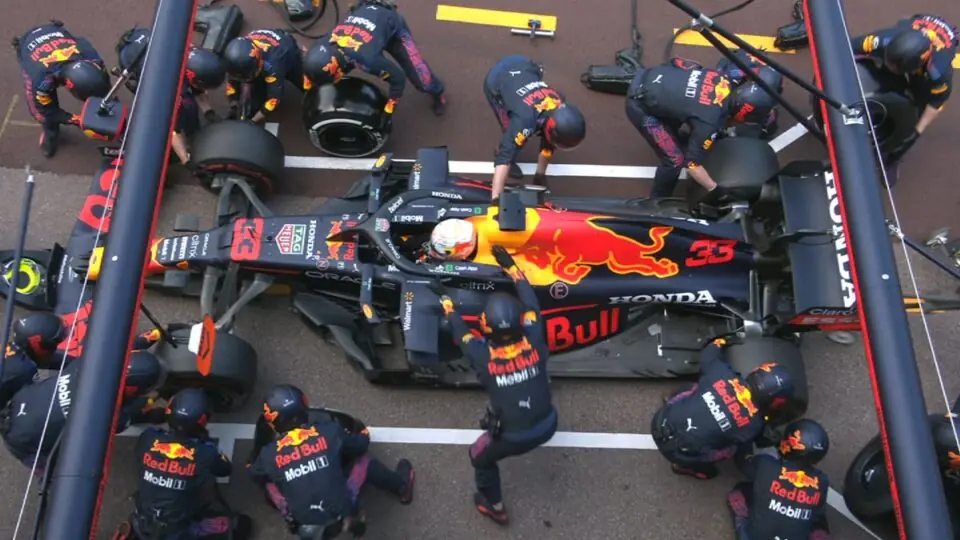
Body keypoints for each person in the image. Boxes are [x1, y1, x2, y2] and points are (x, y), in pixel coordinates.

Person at [436, 245, 557, 524]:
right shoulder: (534, 334)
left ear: (486, 327)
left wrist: (446, 303)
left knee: (478, 457)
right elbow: (531, 301)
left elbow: (460, 331)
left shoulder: (481, 355)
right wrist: (511, 267)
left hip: (515, 436)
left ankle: (495, 506)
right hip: (550, 422)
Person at [247, 384, 414, 537]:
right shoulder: (328, 431)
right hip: (340, 509)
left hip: (303, 522)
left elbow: (254, 473)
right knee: (364, 462)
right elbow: (360, 446)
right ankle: (402, 488)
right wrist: (363, 434)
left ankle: (290, 515)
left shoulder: (268, 454)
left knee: (269, 484)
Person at [116, 388, 253, 540]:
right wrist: (204, 441)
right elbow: (224, 469)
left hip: (143, 522)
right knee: (240, 525)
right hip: (176, 530)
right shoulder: (204, 452)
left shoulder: (148, 438)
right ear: (202, 420)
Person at [650, 337, 794, 480]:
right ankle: (683, 466)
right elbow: (746, 443)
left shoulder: (721, 373)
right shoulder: (754, 425)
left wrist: (722, 341)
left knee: (698, 388)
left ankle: (671, 399)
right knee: (732, 449)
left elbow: (708, 353)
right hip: (680, 454)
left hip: (659, 421)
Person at [625, 58, 763, 198]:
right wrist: (714, 189)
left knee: (689, 101)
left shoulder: (725, 76)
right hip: (640, 105)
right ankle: (656, 201)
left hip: (652, 75)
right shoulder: (710, 121)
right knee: (675, 161)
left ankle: (674, 129)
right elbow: (692, 166)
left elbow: (677, 61)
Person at [302, 0, 447, 119]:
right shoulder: (320, 46)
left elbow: (398, 78)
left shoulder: (366, 60)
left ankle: (438, 92)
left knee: (422, 79)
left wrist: (390, 106)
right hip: (364, 18)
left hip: (392, 27)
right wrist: (309, 82)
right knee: (350, 60)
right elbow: (312, 68)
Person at [851, 15, 956, 177]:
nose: (891, 68)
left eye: (895, 68)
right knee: (875, 61)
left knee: (917, 107)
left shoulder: (937, 72)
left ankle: (893, 160)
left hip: (937, 49)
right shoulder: (885, 39)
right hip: (918, 22)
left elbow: (936, 103)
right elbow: (849, 48)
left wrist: (915, 132)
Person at [116, 28, 226, 167]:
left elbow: (198, 88)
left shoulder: (189, 51)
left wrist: (209, 112)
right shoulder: (163, 86)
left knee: (187, 104)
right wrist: (186, 160)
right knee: (171, 114)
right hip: (131, 56)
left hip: (146, 40)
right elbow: (173, 130)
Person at [483, 55, 586, 200]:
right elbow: (504, 160)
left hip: (524, 65)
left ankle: (540, 175)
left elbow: (548, 145)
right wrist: (496, 201)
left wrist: (540, 175)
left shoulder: (559, 102)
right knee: (510, 134)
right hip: (498, 77)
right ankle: (498, 148)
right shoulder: (524, 122)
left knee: (545, 140)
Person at [12, 20, 111, 157]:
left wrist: (107, 100)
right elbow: (44, 112)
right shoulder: (42, 81)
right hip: (29, 48)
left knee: (103, 91)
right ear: (69, 87)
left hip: (53, 32)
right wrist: (75, 119)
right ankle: (52, 136)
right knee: (44, 117)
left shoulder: (91, 58)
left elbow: (103, 81)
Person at [727, 418, 832, 539]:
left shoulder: (766, 464)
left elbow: (742, 460)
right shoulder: (822, 481)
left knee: (741, 490)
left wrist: (749, 434)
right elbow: (817, 512)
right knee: (818, 517)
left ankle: (742, 521)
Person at [222, 29, 304, 124]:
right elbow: (230, 84)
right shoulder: (236, 60)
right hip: (262, 51)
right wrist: (233, 105)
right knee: (255, 101)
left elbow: (273, 100)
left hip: (287, 52)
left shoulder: (272, 66)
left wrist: (253, 121)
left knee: (307, 85)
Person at [715, 50, 784, 139]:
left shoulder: (770, 78)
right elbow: (723, 63)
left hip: (766, 76)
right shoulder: (729, 75)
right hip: (748, 63)